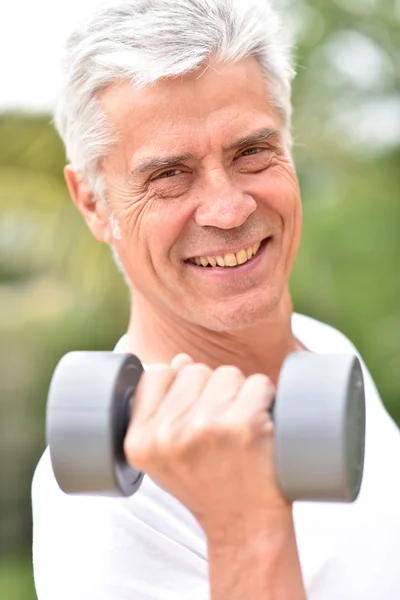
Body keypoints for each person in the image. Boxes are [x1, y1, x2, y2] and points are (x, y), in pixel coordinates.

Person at [32, 0, 400, 598]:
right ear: (94, 204)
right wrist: (244, 527)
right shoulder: (105, 508)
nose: (229, 209)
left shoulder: (327, 348)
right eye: (168, 175)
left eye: (251, 152)